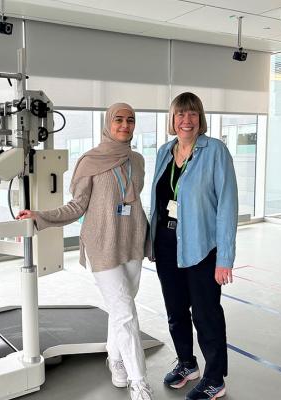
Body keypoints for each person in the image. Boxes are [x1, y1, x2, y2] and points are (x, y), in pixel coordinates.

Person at [17, 103, 153, 400]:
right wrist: (41, 216)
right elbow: (77, 207)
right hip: (102, 243)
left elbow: (137, 203)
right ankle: (139, 381)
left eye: (130, 120)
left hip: (131, 240)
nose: (125, 125)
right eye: (119, 119)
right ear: (108, 122)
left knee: (121, 308)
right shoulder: (90, 161)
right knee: (126, 313)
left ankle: (115, 360)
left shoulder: (138, 160)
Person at [149, 92, 238, 400]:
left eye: (192, 114)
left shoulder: (215, 151)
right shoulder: (164, 151)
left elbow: (227, 205)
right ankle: (187, 364)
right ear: (172, 119)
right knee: (175, 311)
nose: (186, 121)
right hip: (165, 242)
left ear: (200, 119)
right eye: (180, 115)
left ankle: (215, 379)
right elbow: (157, 202)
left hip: (201, 245)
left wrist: (224, 257)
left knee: (205, 313)